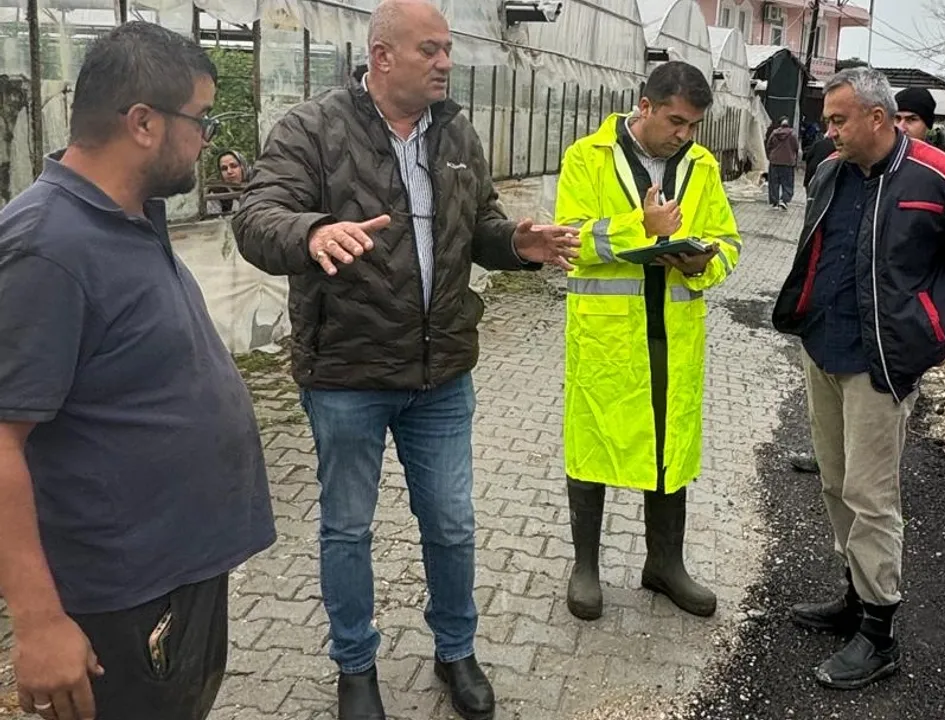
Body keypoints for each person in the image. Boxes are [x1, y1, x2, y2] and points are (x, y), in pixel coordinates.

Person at [232, 1, 579, 718]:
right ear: (382, 56)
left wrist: (517, 244)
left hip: (441, 374)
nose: (446, 62)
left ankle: (456, 650)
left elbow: (479, 226)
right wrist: (312, 231)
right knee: (347, 528)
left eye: (448, 48)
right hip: (346, 374)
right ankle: (355, 666)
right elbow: (257, 216)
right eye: (430, 49)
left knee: (451, 524)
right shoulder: (312, 128)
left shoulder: (456, 132)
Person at [0, 21, 275, 720]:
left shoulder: (126, 217)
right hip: (121, 603)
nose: (208, 138)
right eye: (201, 119)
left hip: (175, 575)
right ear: (144, 122)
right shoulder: (48, 246)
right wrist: (39, 623)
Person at [772, 67, 945, 691]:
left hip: (881, 362)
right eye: (827, 121)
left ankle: (879, 634)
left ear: (876, 118)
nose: (828, 132)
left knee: (871, 495)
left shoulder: (941, 178)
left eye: (838, 120)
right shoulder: (830, 172)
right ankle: (855, 597)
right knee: (834, 480)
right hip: (823, 350)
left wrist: (943, 331)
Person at [554, 61, 741, 622]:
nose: (684, 134)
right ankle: (586, 567)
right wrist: (641, 227)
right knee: (593, 440)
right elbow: (569, 239)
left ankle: (664, 564)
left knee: (668, 445)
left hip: (674, 334)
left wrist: (703, 263)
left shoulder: (702, 166)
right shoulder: (586, 157)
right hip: (607, 336)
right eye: (676, 121)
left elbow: (728, 240)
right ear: (645, 107)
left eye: (693, 125)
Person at [766, 117, 800, 209]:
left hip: (774, 161)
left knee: (774, 183)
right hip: (788, 162)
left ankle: (775, 203)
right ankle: (784, 200)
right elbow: (796, 147)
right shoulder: (792, 134)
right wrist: (795, 159)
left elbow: (768, 145)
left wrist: (771, 155)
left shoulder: (774, 133)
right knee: (787, 183)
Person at [206, 149, 249, 215]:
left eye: (234, 166)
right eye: (224, 168)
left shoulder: (255, 187)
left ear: (242, 168)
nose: (229, 171)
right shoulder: (216, 193)